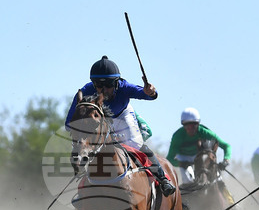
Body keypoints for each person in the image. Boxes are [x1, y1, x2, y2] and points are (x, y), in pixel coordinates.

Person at [64, 56, 175, 196]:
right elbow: (69, 123)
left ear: (116, 83)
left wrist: (151, 92)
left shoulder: (124, 87)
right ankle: (84, 185)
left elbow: (148, 95)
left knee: (135, 145)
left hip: (122, 116)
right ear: (93, 83)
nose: (103, 90)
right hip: (99, 121)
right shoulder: (86, 90)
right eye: (98, 85)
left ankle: (162, 178)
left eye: (108, 85)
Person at [166, 107, 232, 185]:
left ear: (198, 124)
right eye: (187, 126)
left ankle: (225, 192)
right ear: (183, 125)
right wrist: (181, 163)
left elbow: (226, 146)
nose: (190, 129)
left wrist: (226, 160)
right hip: (184, 158)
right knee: (188, 181)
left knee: (218, 179)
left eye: (194, 126)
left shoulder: (205, 132)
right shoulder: (177, 136)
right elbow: (169, 159)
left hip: (200, 156)